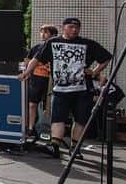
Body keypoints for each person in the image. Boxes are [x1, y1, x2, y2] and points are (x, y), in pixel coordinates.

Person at [20, 17, 112, 159]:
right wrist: (27, 72)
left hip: (82, 89)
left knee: (80, 119)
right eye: (70, 27)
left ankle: (75, 148)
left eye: (76, 28)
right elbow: (36, 58)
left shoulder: (87, 43)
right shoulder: (53, 42)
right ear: (63, 28)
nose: (74, 30)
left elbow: (106, 57)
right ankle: (54, 146)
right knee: (57, 118)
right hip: (61, 88)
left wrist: (94, 72)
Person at [24, 24, 58, 144]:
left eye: (46, 32)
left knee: (48, 107)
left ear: (53, 35)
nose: (43, 35)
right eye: (42, 32)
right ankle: (31, 128)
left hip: (50, 80)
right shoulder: (37, 47)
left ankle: (50, 132)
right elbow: (27, 60)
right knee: (32, 104)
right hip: (36, 79)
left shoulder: (57, 49)